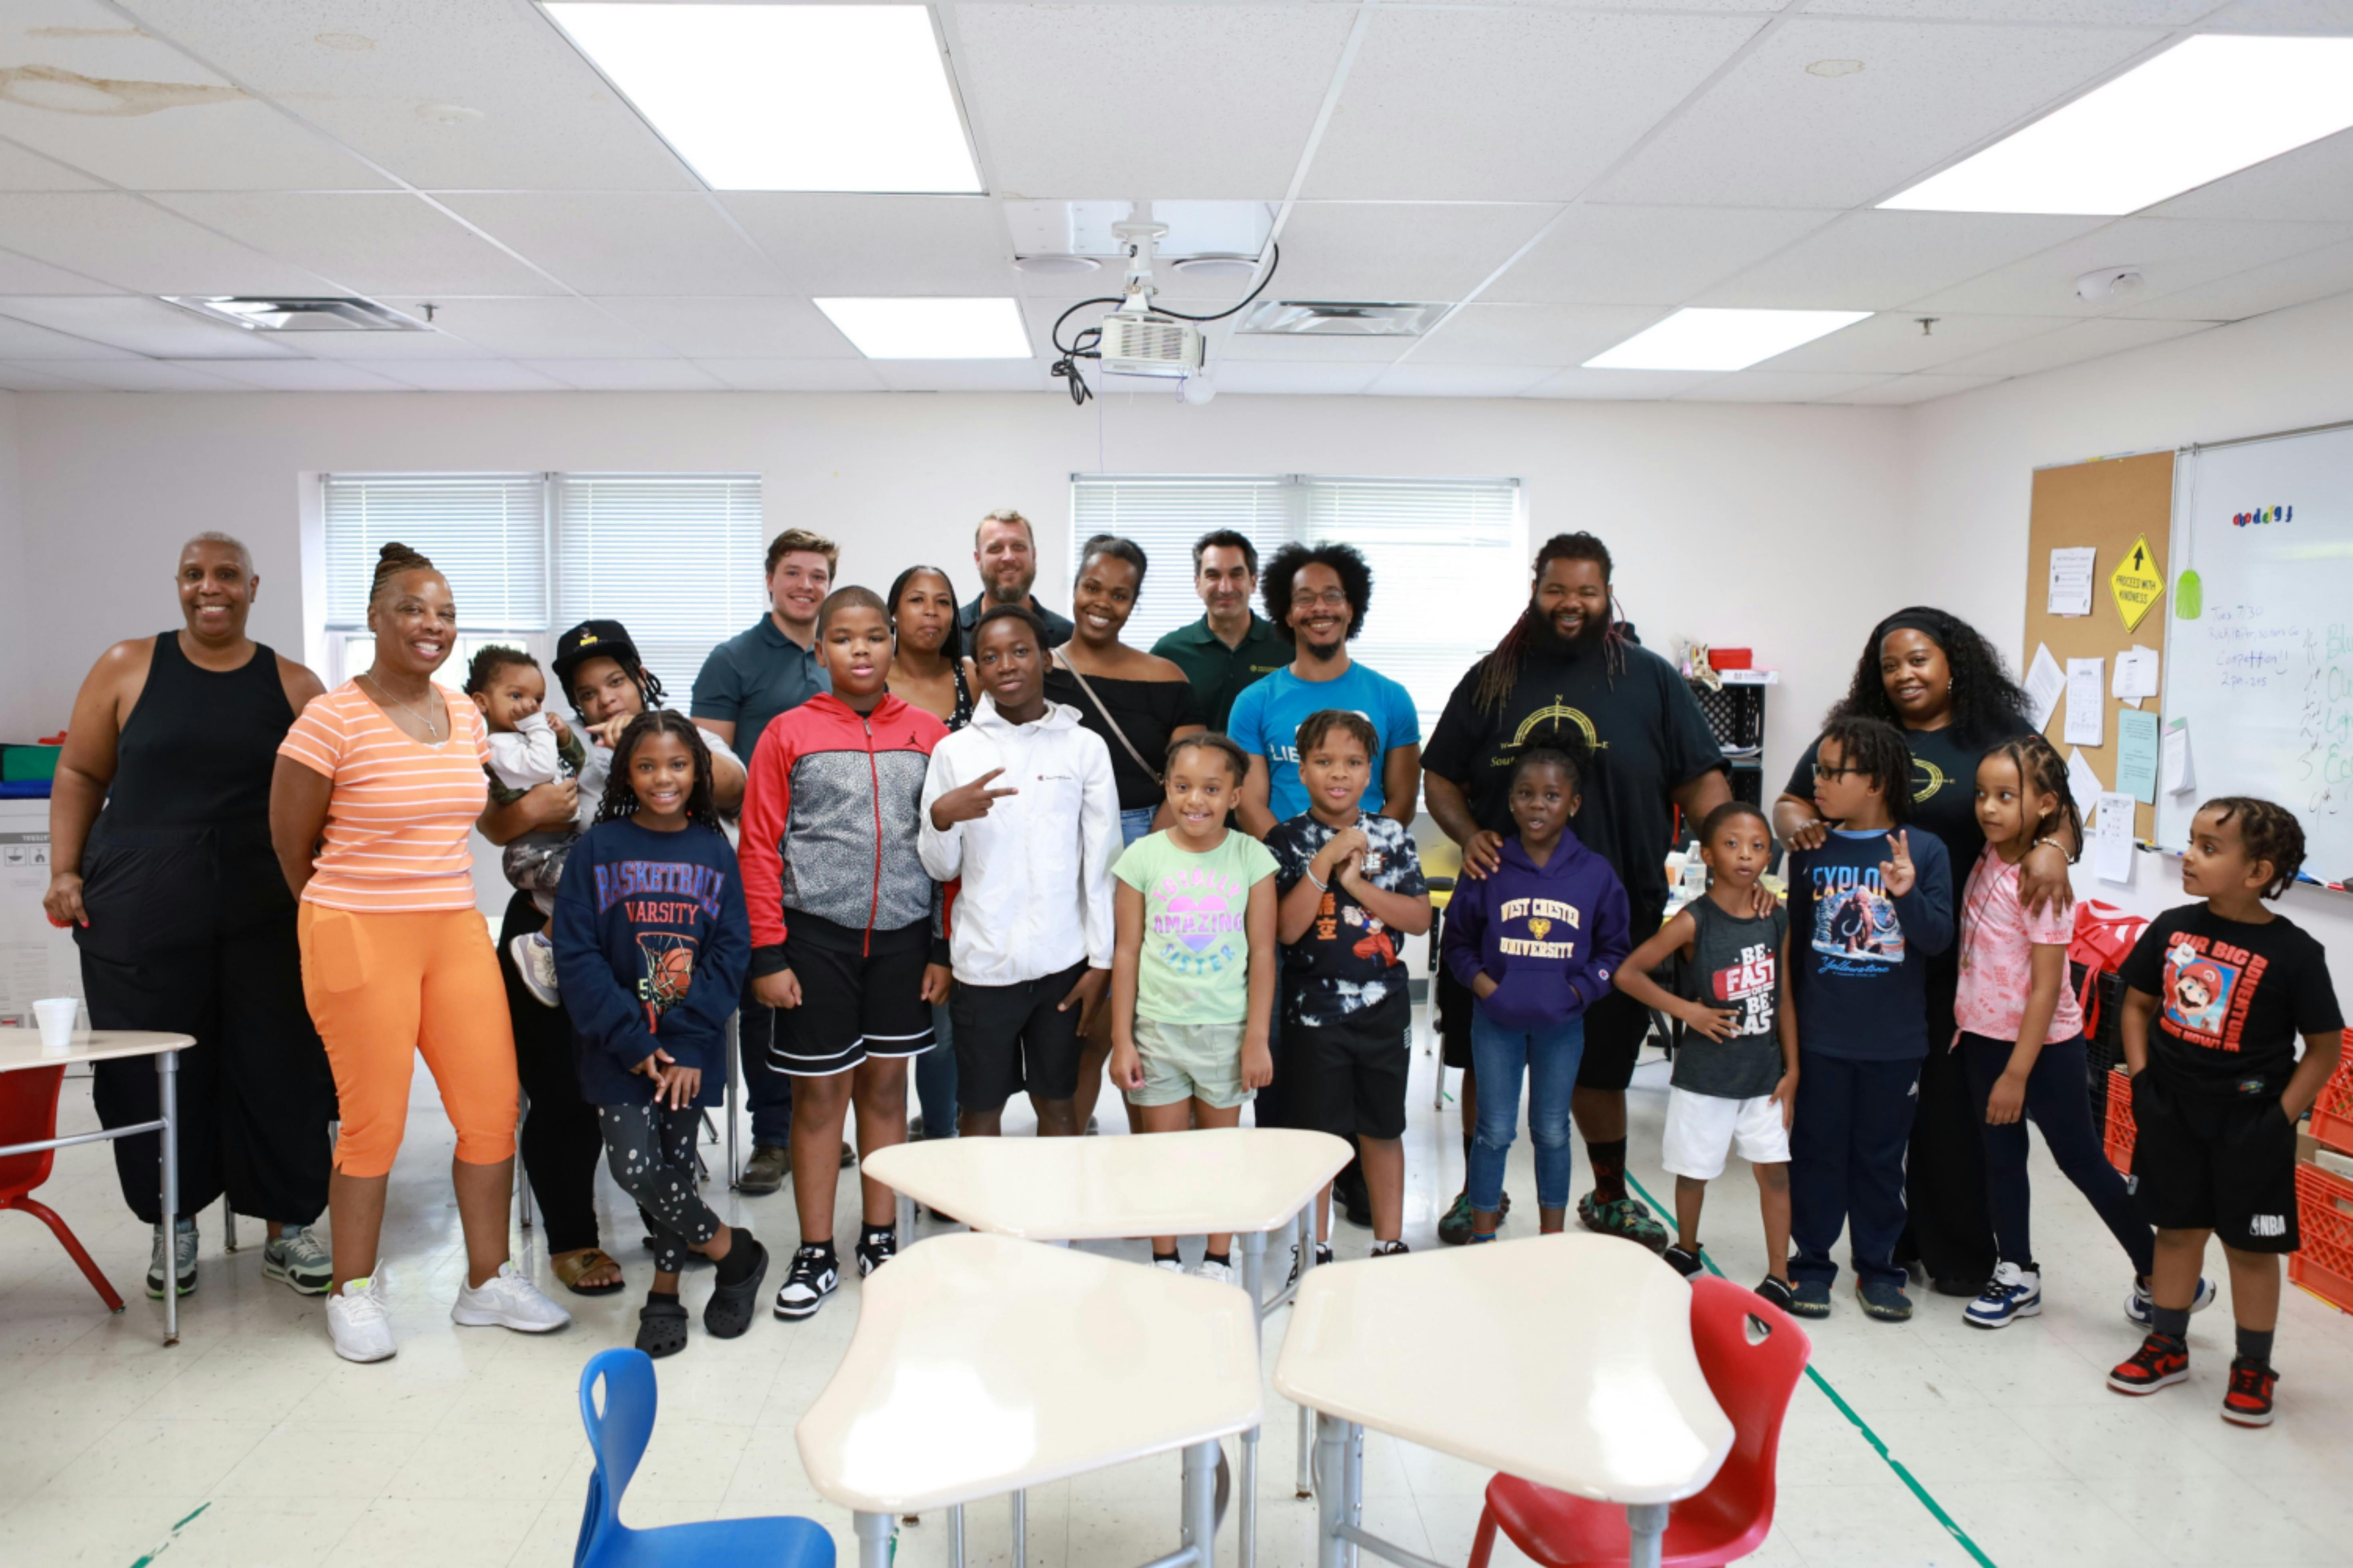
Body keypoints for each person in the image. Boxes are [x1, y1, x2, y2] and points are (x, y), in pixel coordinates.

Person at [270, 542, 571, 1362]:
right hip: (358, 929)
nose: (431, 625)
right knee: (376, 1121)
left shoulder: (464, 714)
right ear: (375, 618)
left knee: (490, 1109)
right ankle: (353, 1290)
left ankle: (487, 1282)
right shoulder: (330, 718)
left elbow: (486, 819)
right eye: (412, 609)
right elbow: (291, 844)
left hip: (452, 928)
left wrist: (531, 809)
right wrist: (341, 915)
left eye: (444, 614)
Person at [46, 532, 336, 1300]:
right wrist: (65, 869)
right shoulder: (127, 666)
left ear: (253, 586)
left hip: (266, 911)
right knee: (150, 1069)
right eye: (195, 574)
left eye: (228, 574)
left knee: (281, 1064)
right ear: (178, 583)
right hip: (142, 908)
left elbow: (330, 799)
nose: (211, 587)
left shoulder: (296, 684)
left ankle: (288, 1227)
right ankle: (171, 1222)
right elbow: (79, 771)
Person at [1423, 532, 1732, 1250]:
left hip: (1612, 918)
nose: (1571, 604)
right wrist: (1468, 834)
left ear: (1608, 595)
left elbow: (1703, 781)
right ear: (1536, 591)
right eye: (1557, 589)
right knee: (1483, 1058)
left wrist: (1727, 860)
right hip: (1497, 914)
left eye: (1587, 591)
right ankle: (1478, 1194)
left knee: (1601, 1066)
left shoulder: (1651, 680)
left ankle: (1609, 1195)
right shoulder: (1492, 679)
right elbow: (1440, 776)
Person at [1774, 607, 2069, 1297]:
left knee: (1948, 1116)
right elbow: (1793, 800)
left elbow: (2058, 812)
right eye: (1889, 665)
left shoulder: (2001, 734)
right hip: (1871, 966)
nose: (1904, 675)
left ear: (1953, 662)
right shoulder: (1859, 736)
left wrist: (2055, 849)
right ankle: (1888, 1246)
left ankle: (1956, 1251)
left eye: (1918, 659)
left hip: (1967, 956)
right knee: (1872, 1120)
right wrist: (1801, 825)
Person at [477, 619, 748, 1299]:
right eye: (587, 692)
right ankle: (573, 1238)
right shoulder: (550, 745)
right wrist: (539, 800)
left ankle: (674, 1225)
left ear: (641, 678)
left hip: (660, 937)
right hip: (559, 933)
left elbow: (732, 785)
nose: (604, 700)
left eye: (616, 682)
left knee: (664, 1083)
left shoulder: (674, 738)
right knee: (564, 1092)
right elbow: (498, 826)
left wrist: (651, 747)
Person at [740, 587, 950, 1322]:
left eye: (873, 636)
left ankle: (881, 1239)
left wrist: (941, 944)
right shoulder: (786, 733)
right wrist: (768, 954)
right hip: (813, 941)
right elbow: (759, 847)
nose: (860, 650)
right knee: (821, 1096)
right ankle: (816, 1250)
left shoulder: (929, 733)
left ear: (893, 642)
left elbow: (946, 850)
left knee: (888, 1092)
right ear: (819, 649)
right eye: (842, 638)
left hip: (903, 940)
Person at [2109, 798, 2341, 1428]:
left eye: (2208, 848)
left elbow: (2323, 1048)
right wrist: (2142, 1080)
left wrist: (2279, 1117)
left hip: (2251, 1123)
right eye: (2190, 841)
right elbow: (2136, 1004)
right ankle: (2166, 1344)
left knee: (2249, 1247)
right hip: (2171, 1113)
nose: (2188, 856)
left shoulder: (2296, 952)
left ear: (2257, 871)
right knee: (2176, 1231)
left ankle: (2253, 1365)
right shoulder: (2171, 927)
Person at [554, 711, 767, 1358]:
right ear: (626, 773)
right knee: (634, 1167)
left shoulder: (713, 850)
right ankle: (734, 1252)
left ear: (698, 772)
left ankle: (665, 1294)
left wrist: (690, 1041)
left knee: (675, 1166)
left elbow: (729, 951)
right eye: (647, 766)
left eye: (677, 764)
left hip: (689, 1048)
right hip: (619, 1047)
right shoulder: (598, 847)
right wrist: (634, 1040)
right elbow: (577, 954)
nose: (663, 778)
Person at [1954, 736, 2185, 1332]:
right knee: (2000, 1159)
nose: (1988, 807)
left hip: (2042, 1048)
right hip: (1981, 1036)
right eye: (1981, 793)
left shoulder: (2042, 883)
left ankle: (2158, 1272)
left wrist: (2016, 1073)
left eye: (2006, 795)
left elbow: (2045, 988)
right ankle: (2017, 1272)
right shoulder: (1988, 855)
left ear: (2046, 804)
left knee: (2081, 1160)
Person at [920, 605, 1119, 1139]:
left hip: (1064, 964)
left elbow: (1102, 864)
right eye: (990, 656)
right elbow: (941, 866)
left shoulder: (1084, 747)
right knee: (980, 1110)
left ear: (1046, 659)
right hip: (983, 966)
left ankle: (1056, 1201)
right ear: (977, 670)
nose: (1006, 665)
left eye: (1020, 651)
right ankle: (982, 1200)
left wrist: (1101, 962)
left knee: (1057, 1104)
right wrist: (942, 817)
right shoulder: (954, 751)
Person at [1783, 719, 1954, 1326]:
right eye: (1819, 770)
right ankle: (1810, 1262)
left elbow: (1937, 940)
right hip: (1821, 1038)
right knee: (1816, 1151)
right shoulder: (1810, 850)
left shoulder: (1924, 850)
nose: (1818, 782)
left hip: (1893, 1044)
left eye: (1834, 773)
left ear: (1876, 782)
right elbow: (1794, 948)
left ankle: (1878, 1268)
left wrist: (1905, 893)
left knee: (1880, 1159)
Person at [693, 529, 838, 1196]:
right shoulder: (734, 660)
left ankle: (819, 1126)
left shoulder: (839, 654)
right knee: (766, 999)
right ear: (770, 579)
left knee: (824, 997)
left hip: (834, 857)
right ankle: (773, 1137)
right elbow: (708, 770)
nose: (806, 586)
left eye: (818, 575)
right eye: (793, 573)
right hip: (760, 854)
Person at [1439, 742, 1631, 1246]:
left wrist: (1579, 990)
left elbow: (1614, 949)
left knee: (1551, 1130)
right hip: (1496, 1022)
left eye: (1551, 794)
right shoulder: (1487, 865)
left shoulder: (1595, 872)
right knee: (1494, 1130)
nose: (1537, 804)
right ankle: (1483, 1239)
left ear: (1574, 803)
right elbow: (1456, 943)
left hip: (1561, 1025)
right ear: (1511, 801)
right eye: (1525, 793)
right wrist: (1488, 988)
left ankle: (1552, 1241)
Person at [1044, 536, 1205, 1132]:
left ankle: (1152, 1164)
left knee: (1144, 1018)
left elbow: (1187, 780)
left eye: (1119, 594)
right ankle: (1071, 1153)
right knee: (1080, 1022)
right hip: (1058, 849)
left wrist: (1149, 860)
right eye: (1092, 587)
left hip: (1146, 840)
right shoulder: (1038, 669)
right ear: (1074, 588)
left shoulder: (1167, 677)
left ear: (1133, 603)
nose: (1102, 603)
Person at [1613, 802, 1797, 1308]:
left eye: (1758, 846)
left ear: (1769, 857)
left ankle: (1779, 1274)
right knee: (1693, 1170)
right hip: (1704, 1075)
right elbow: (1628, 973)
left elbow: (1784, 996)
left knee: (1775, 1171)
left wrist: (1793, 1069)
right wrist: (1687, 1011)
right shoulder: (1694, 920)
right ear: (1709, 855)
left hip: (1764, 1075)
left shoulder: (1775, 918)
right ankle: (1687, 1248)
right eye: (1732, 844)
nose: (1746, 855)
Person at [1110, 733, 1278, 1282]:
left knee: (1219, 1154)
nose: (1195, 800)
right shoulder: (1142, 856)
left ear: (1235, 795)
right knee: (1160, 1155)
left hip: (1226, 1032)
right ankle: (1164, 1257)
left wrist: (1256, 1038)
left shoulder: (1252, 857)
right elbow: (1127, 951)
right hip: (1157, 1030)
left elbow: (1263, 953)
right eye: (1182, 786)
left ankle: (1217, 1256)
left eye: (1210, 788)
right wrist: (1122, 1040)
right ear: (1166, 788)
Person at [1266, 710, 1432, 1264]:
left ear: (1370, 772)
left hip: (1384, 1009)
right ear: (1302, 772)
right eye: (1324, 761)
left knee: (1383, 1127)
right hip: (1313, 1014)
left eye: (1353, 762)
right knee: (1317, 1136)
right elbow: (1286, 929)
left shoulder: (1392, 835)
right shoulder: (1285, 840)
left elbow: (1417, 919)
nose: (1339, 773)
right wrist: (1324, 861)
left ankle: (1390, 1240)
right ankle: (1314, 1246)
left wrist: (1356, 883)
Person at [1228, 541, 1420, 837]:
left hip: (1367, 860)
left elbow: (1403, 800)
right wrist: (1300, 859)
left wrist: (1358, 853)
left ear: (1351, 609)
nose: (1320, 608)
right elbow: (1249, 806)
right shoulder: (1254, 702)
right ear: (1288, 614)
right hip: (1281, 862)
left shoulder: (1393, 698)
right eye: (1305, 599)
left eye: (1332, 596)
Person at [887, 564, 978, 1141]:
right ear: (894, 613)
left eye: (942, 601)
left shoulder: (972, 675)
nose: (931, 611)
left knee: (947, 1025)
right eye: (917, 600)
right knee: (898, 1022)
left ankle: (944, 1135)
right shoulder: (873, 677)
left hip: (960, 866)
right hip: (891, 864)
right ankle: (896, 1142)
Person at [465, 645, 586, 1007]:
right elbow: (542, 768)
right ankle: (540, 946)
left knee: (589, 886)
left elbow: (574, 762)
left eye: (537, 699)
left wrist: (563, 736)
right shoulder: (496, 746)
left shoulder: (529, 739)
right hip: (533, 852)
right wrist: (539, 727)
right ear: (483, 703)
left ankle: (555, 946)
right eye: (516, 696)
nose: (530, 707)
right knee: (588, 884)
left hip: (558, 845)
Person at [1151, 530, 1288, 733]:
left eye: (1236, 575)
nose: (1225, 588)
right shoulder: (1169, 653)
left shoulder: (1288, 647)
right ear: (1198, 584)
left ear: (1253, 582)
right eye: (1213, 576)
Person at [959, 509, 1074, 649]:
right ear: (978, 560)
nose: (1009, 557)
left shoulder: (1069, 638)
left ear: (1034, 556)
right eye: (996, 548)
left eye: (1018, 547)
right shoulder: (951, 633)